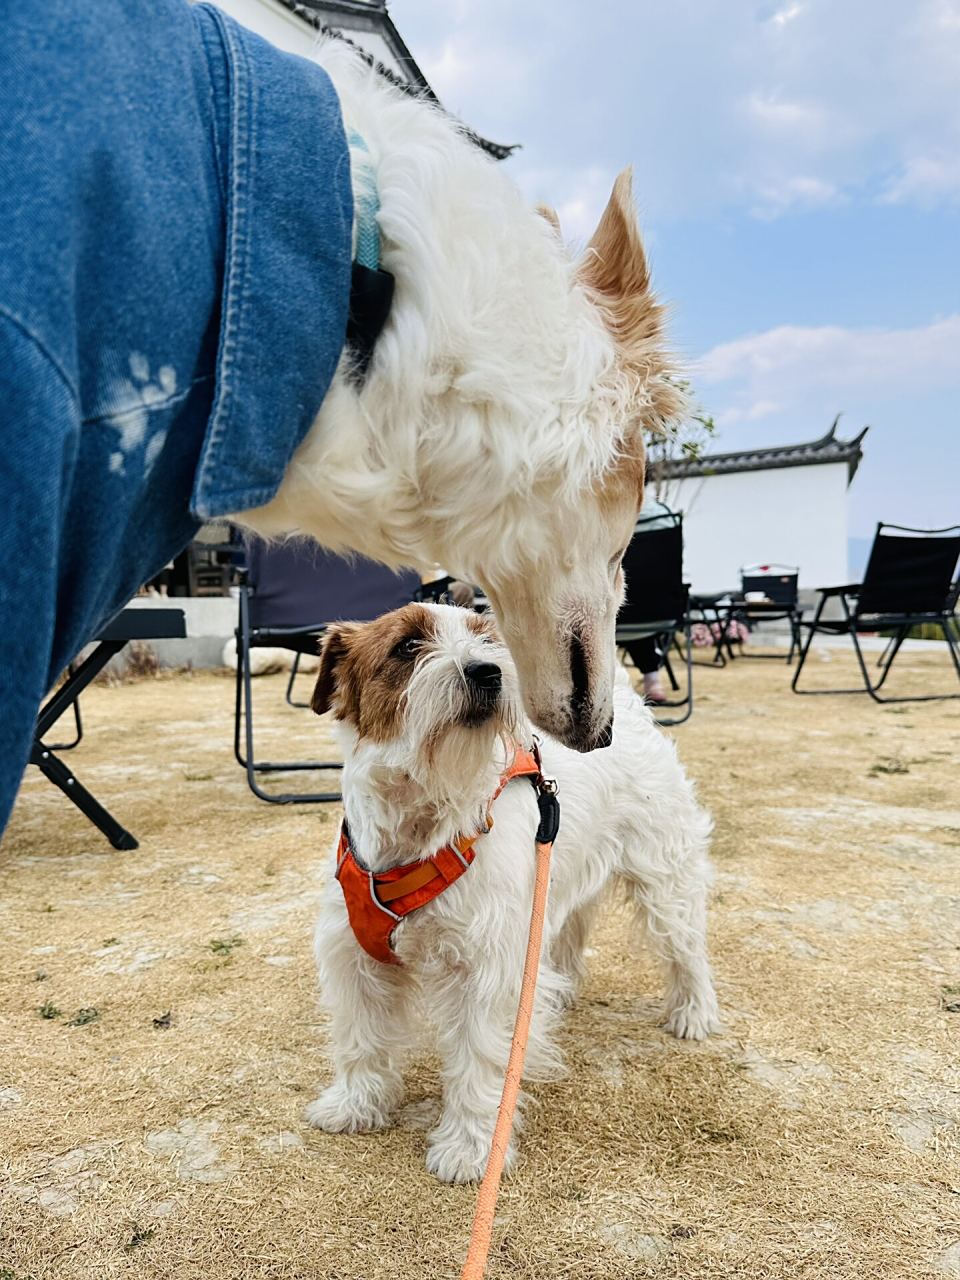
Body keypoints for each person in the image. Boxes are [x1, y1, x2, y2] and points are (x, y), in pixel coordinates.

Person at [620, 491, 677, 704]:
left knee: (625, 603)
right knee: (643, 600)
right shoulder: (664, 515)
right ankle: (653, 680)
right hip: (659, 613)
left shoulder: (598, 511)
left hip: (613, 616)